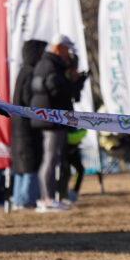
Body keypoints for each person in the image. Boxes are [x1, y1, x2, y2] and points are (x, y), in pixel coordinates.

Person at [30, 33, 87, 212]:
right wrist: (72, 82)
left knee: (52, 158)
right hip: (51, 119)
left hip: (50, 118)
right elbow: (56, 90)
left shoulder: (47, 64)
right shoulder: (50, 65)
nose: (68, 53)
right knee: (50, 158)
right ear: (58, 47)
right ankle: (47, 199)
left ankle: (50, 197)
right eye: (66, 49)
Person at [10, 38, 46, 209]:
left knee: (21, 164)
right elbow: (28, 99)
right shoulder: (31, 72)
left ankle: (19, 198)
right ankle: (26, 199)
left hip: (18, 126)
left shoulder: (22, 71)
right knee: (30, 162)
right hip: (27, 126)